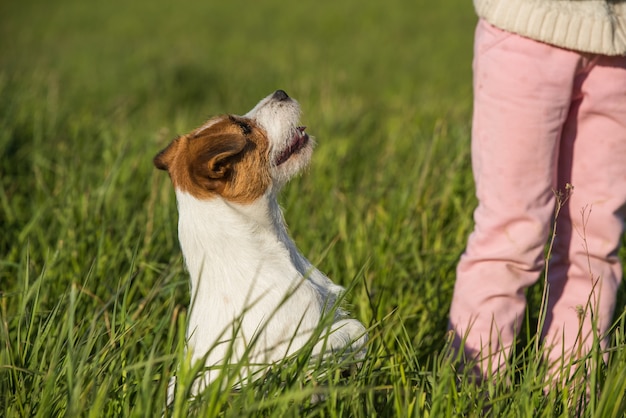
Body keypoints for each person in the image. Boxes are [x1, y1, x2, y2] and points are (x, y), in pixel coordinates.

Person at [448, 0, 626, 382]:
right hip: (527, 29)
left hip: (619, 45)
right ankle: (472, 387)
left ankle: (572, 389)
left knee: (595, 243)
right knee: (511, 235)